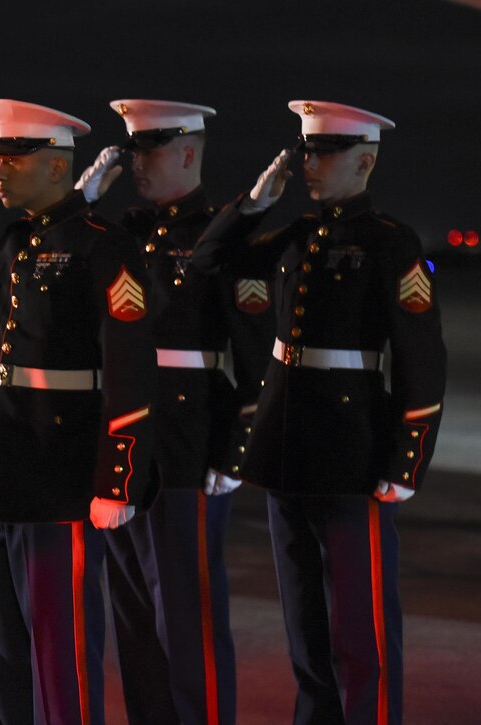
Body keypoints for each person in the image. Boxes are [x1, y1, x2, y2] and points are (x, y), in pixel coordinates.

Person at [192, 100, 447, 725]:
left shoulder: (390, 242)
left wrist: (407, 458)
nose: (310, 164)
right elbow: (206, 260)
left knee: (357, 627)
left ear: (363, 161)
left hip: (350, 448)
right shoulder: (300, 234)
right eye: (307, 151)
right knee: (304, 620)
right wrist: (253, 204)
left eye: (324, 154)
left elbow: (421, 357)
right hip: (285, 444)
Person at [0, 98, 157, 725]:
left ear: (55, 167)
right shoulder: (16, 240)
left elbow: (129, 368)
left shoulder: (102, 245)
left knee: (62, 650)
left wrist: (116, 478)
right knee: (1, 649)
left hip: (60, 473)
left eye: (13, 159)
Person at [76, 100, 274, 725]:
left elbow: (255, 359)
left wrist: (235, 449)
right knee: (133, 615)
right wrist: (78, 204)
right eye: (131, 150)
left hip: (191, 442)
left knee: (185, 617)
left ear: (188, 154)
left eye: (149, 151)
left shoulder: (226, 236)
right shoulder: (123, 234)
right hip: (126, 445)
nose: (135, 163)